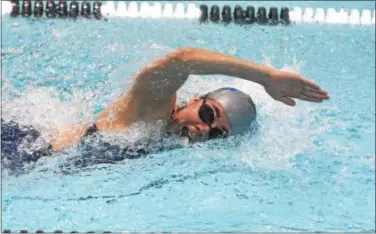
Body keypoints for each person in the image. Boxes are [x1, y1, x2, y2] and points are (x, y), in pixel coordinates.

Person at [2, 47, 329, 168]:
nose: (204, 129)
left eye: (216, 135)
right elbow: (182, 61)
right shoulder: (153, 110)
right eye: (208, 114)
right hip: (19, 148)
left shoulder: (169, 146)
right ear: (194, 100)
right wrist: (265, 76)